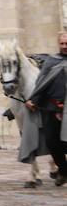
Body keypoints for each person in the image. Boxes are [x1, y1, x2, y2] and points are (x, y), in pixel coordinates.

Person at [25, 32, 67, 186]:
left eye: (66, 44)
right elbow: (41, 83)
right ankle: (63, 170)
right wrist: (33, 99)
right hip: (52, 108)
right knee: (52, 141)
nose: (64, 46)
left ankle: (62, 172)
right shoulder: (51, 62)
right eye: (62, 43)